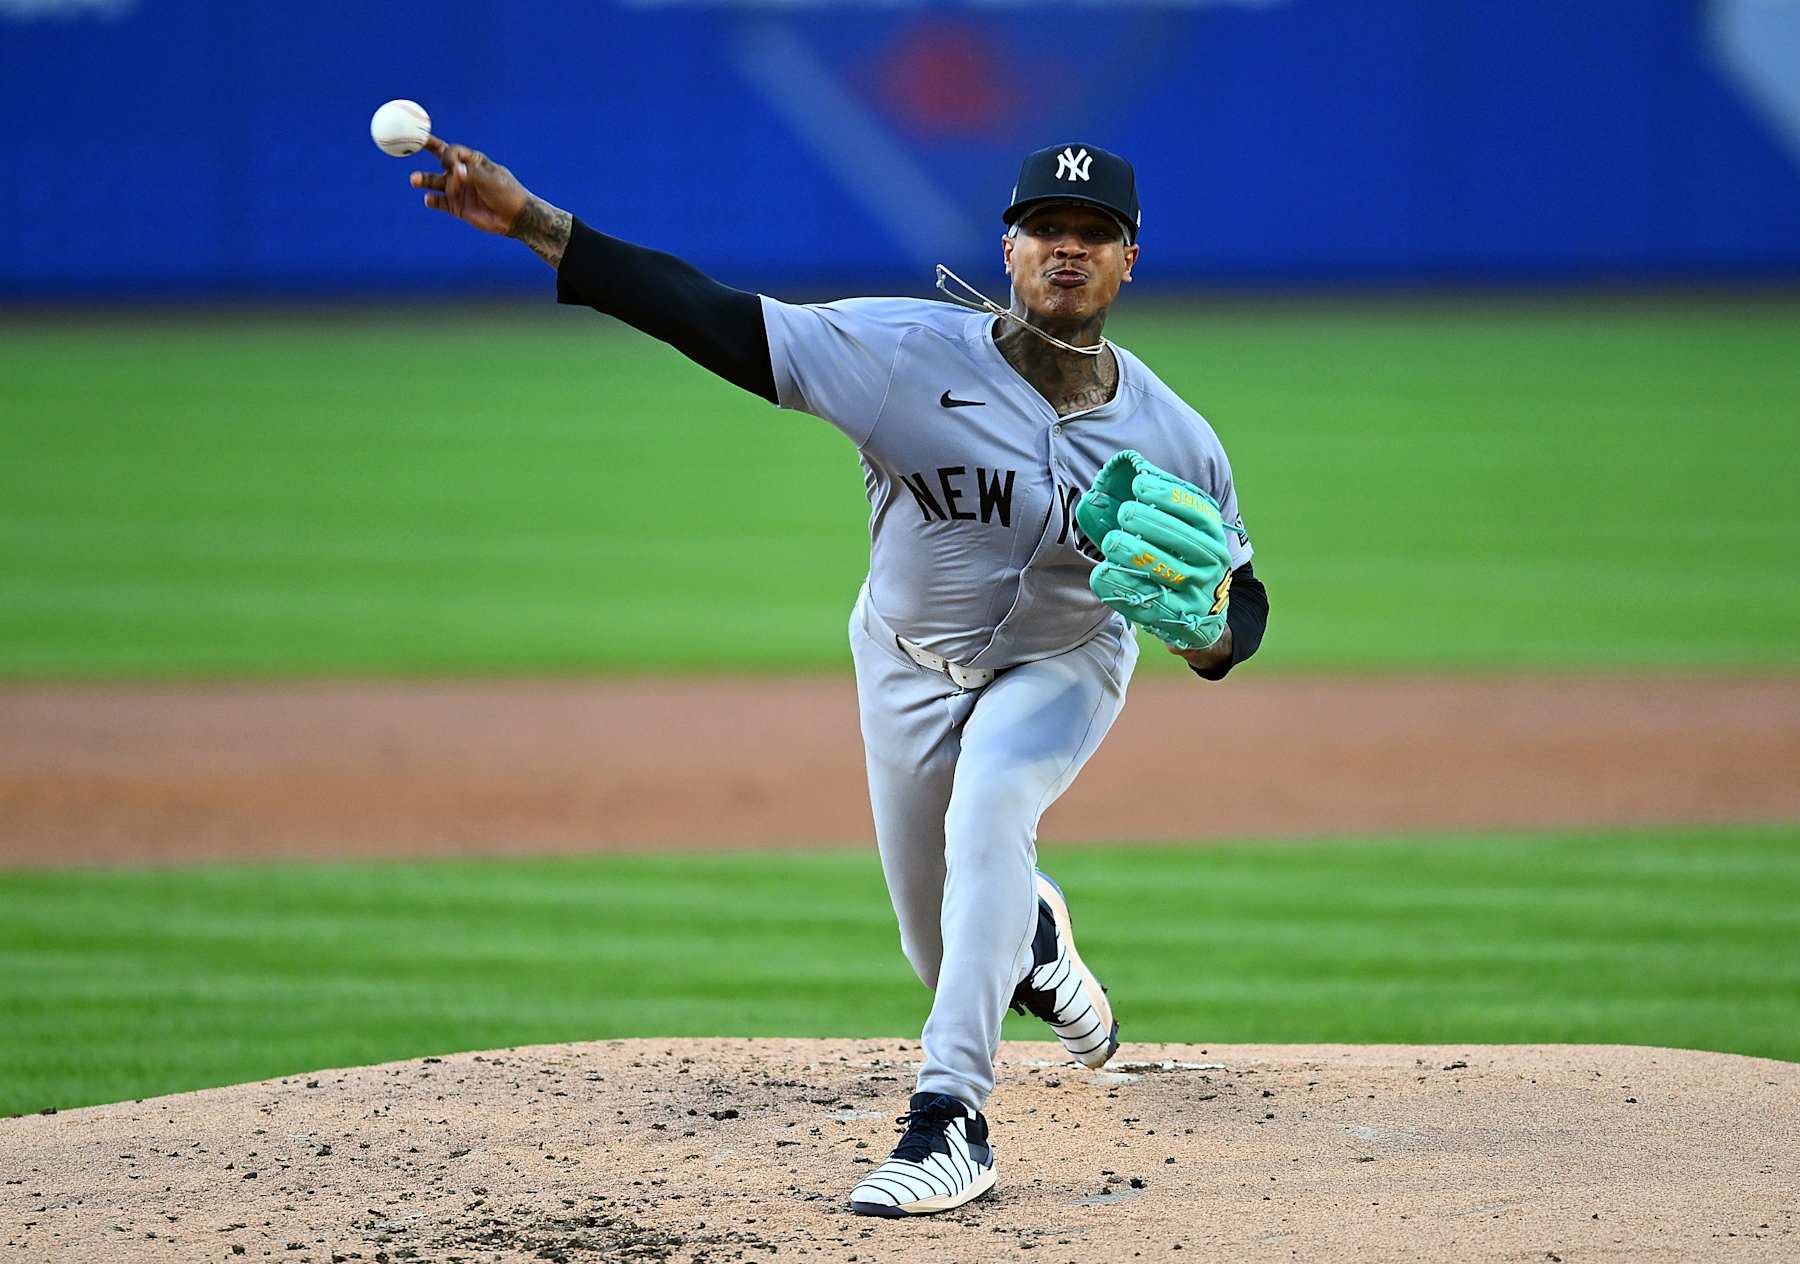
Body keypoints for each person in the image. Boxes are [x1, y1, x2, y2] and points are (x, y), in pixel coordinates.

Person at [406, 136, 1269, 1217]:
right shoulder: (902, 351)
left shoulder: (1176, 437)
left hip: (1064, 661)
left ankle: (949, 1121)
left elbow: (1240, 598)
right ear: (1007, 247)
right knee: (934, 940)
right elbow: (705, 312)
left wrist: (1208, 642)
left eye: (1093, 235)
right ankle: (1033, 939)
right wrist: (538, 223)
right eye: (1048, 228)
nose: (1067, 249)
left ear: (1129, 260)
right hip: (904, 664)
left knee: (995, 799)